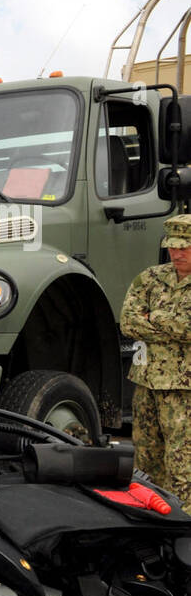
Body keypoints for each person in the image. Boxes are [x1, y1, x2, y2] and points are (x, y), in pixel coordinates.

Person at [119, 214, 191, 506]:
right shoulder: (150, 278)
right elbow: (128, 322)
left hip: (183, 388)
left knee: (182, 463)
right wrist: (172, 324)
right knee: (146, 460)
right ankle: (150, 517)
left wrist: (154, 318)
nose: (177, 253)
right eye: (173, 246)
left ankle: (183, 526)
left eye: (185, 247)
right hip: (146, 381)